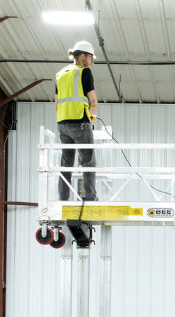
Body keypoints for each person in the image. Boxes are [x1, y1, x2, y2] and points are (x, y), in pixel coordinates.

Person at [54, 40, 100, 202]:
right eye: (90, 58)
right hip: (80, 122)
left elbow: (56, 105)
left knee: (66, 163)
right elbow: (93, 102)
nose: (91, 61)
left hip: (62, 125)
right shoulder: (83, 72)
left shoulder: (60, 74)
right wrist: (91, 115)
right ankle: (90, 197)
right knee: (88, 162)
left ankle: (63, 198)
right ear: (82, 56)